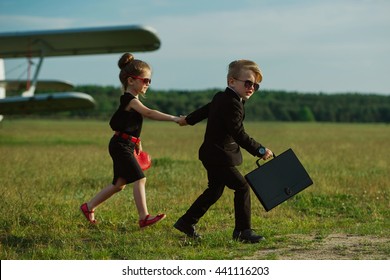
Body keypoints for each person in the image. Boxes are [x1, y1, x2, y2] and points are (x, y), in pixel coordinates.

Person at [174, 59, 273, 243]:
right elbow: (238, 133)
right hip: (219, 155)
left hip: (212, 154)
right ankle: (243, 232)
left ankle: (186, 222)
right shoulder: (232, 103)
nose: (252, 87)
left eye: (255, 85)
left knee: (215, 191)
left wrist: (188, 120)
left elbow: (206, 110)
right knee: (242, 187)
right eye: (248, 83)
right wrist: (260, 150)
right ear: (231, 82)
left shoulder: (222, 97)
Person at [81, 53, 180, 228]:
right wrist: (174, 118)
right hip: (120, 145)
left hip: (125, 144)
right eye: (145, 80)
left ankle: (88, 207)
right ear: (131, 81)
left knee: (119, 184)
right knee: (140, 179)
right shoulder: (130, 100)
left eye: (149, 81)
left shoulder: (133, 101)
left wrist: (137, 141)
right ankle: (144, 217)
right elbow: (149, 113)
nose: (148, 84)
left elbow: (130, 124)